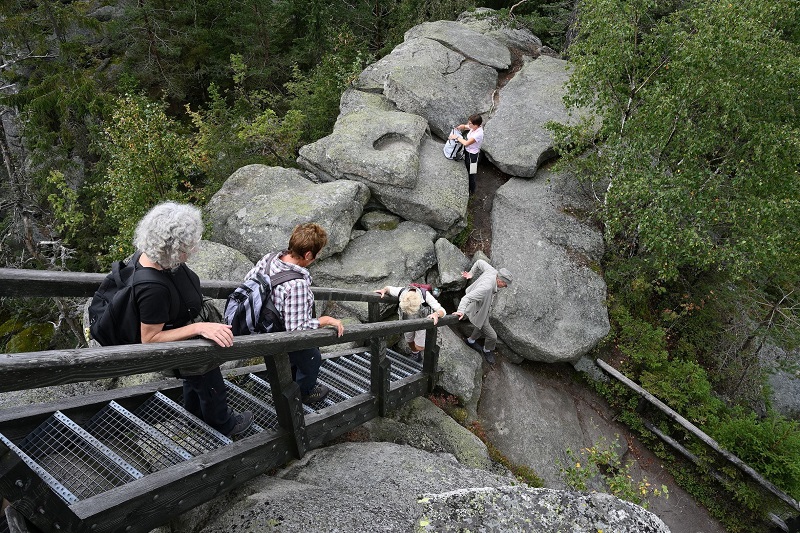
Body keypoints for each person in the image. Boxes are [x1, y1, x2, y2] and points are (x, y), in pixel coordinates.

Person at [134, 202, 253, 437]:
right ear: (172, 248)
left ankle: (194, 419)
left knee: (193, 381)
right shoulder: (152, 288)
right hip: (185, 342)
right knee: (211, 384)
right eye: (188, 247)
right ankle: (224, 425)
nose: (193, 251)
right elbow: (149, 338)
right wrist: (199, 327)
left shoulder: (155, 258)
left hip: (188, 342)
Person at [245, 223, 344, 404]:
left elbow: (248, 282)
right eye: (317, 253)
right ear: (308, 254)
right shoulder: (297, 284)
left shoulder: (270, 258)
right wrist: (325, 320)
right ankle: (303, 394)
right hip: (282, 334)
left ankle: (282, 386)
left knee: (287, 361)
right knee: (312, 358)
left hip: (263, 327)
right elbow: (296, 329)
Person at [452, 259, 513, 364]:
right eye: (505, 284)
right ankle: (487, 350)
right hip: (476, 305)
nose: (505, 287)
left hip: (482, 304)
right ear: (500, 281)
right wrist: (461, 311)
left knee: (481, 323)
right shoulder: (487, 287)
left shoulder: (493, 271)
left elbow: (479, 262)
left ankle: (470, 341)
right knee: (492, 336)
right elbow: (466, 298)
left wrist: (471, 273)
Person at [374, 285, 446, 361]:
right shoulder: (402, 292)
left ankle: (418, 350)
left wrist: (436, 314)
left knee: (419, 346)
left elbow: (442, 311)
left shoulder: (426, 296)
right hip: (407, 321)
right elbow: (388, 288)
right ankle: (415, 353)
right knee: (409, 340)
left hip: (422, 322)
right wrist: (383, 290)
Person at [448, 114, 484, 195]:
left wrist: (456, 137)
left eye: (470, 123)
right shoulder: (474, 127)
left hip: (473, 156)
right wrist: (462, 126)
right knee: (468, 169)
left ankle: (472, 191)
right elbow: (467, 127)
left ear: (476, 125)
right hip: (468, 152)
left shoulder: (479, 134)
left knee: (472, 173)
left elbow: (466, 143)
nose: (469, 124)